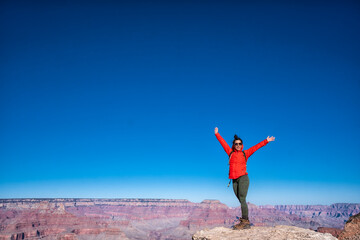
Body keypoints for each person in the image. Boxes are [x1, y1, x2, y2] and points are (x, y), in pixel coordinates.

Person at [214, 127, 275, 229]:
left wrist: (266, 141)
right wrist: (217, 134)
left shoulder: (245, 153)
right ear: (234, 145)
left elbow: (256, 147)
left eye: (240, 144)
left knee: (242, 199)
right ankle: (245, 221)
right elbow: (223, 143)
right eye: (236, 144)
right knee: (240, 199)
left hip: (243, 178)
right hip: (234, 180)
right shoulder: (230, 153)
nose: (238, 145)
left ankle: (245, 221)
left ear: (242, 145)